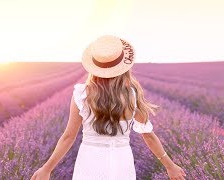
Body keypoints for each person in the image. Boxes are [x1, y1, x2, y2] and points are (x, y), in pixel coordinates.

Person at [30, 35, 186, 180]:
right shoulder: (131, 95)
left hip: (89, 161)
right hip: (121, 161)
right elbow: (149, 136)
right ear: (124, 67)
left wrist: (47, 168)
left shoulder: (82, 94)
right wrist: (170, 166)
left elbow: (68, 137)